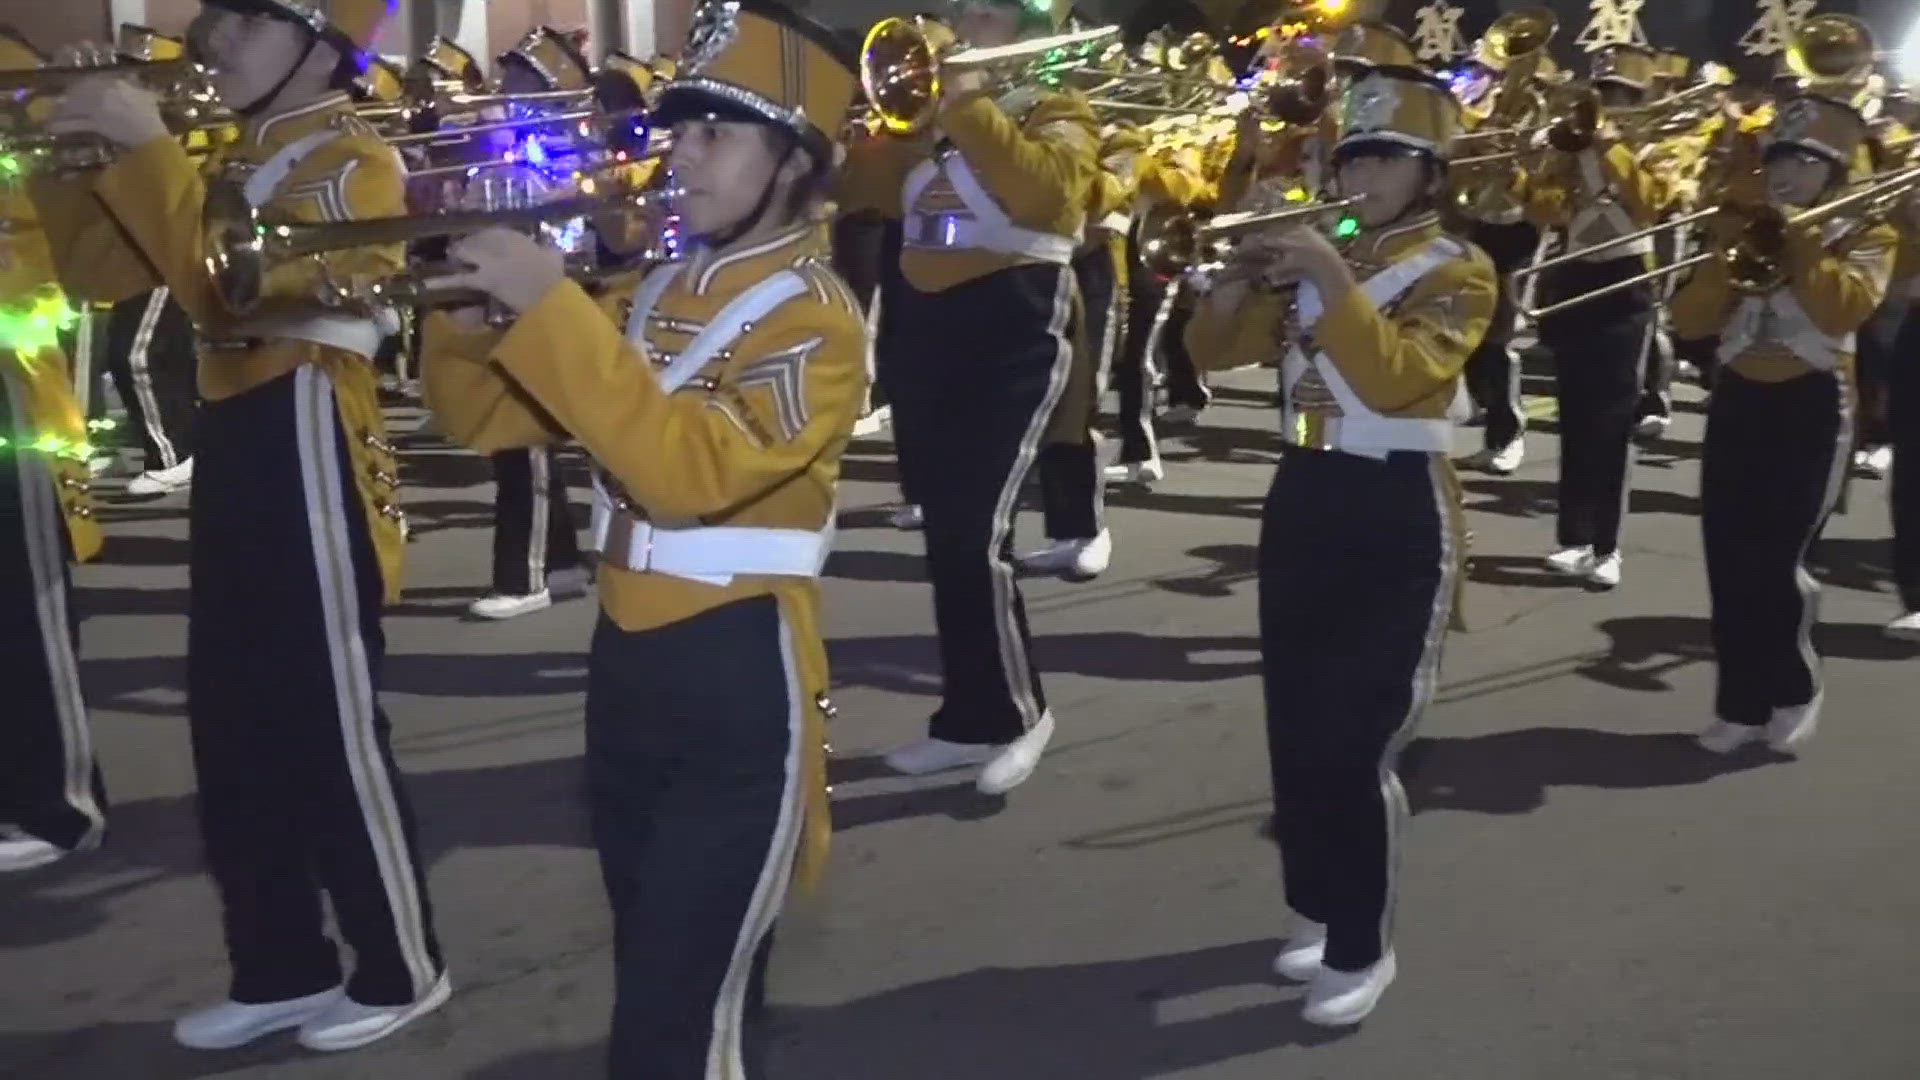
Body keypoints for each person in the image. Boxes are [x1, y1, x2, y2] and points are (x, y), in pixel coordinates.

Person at [420, 1, 865, 1072]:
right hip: (628, 660)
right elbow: (485, 422)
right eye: (682, 129)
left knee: (669, 1018)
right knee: (669, 970)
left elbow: (686, 474)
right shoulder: (656, 288)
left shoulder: (816, 316)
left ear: (798, 163)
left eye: (718, 133)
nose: (682, 155)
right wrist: (465, 307)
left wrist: (556, 314)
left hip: (738, 668)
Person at [36, 0, 446, 1051]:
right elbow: (99, 277)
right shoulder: (229, 159)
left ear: (321, 46)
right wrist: (77, 161)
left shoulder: (352, 162)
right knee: (229, 719)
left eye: (248, 23)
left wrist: (143, 148)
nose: (214, 42)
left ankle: (402, 961)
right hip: (237, 431)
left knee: (327, 717)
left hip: (307, 423)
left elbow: (229, 296)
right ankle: (280, 963)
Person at [1186, 64, 1493, 1026]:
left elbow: (1400, 375)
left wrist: (1323, 266)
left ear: (1428, 172)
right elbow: (1213, 354)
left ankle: (1364, 942)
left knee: (1358, 737)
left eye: (1386, 159)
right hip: (1306, 491)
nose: (1360, 176)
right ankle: (1316, 909)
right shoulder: (1340, 244)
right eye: (1352, 154)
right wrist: (1240, 279)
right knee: (1298, 719)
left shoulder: (1458, 267)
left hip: (1399, 505)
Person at [841, 0, 1099, 793]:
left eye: (987, 13)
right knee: (950, 533)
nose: (963, 25)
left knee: (979, 531)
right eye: (963, 11)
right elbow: (865, 192)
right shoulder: (928, 116)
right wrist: (898, 125)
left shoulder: (1058, 110)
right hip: (924, 321)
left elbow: (1047, 196)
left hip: (1017, 318)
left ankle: (1022, 715)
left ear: (1025, 33)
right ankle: (969, 718)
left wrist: (968, 101)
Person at [1673, 93, 1894, 754]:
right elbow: (1689, 320)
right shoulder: (1742, 224)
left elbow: (1842, 309)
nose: (1786, 175)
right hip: (1740, 393)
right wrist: (1726, 255)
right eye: (1780, 160)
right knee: (1727, 555)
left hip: (1815, 401)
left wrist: (1798, 239)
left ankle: (1794, 688)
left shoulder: (1869, 233)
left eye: (1805, 162)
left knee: (1776, 560)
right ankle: (1738, 701)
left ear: (1834, 174)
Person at [0, 28, 108, 875]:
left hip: (9, 369)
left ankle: (60, 801)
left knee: (24, 600)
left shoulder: (20, 84)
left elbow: (43, 238)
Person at [1520, 43, 1669, 590]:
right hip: (1576, 276)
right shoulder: (1566, 149)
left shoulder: (1659, 144)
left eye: (1616, 97)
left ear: (1636, 99)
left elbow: (1652, 201)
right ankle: (1573, 537)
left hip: (1626, 281)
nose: (1604, 106)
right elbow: (1543, 212)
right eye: (1598, 95)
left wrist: (1611, 151)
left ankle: (1608, 545)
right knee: (1575, 414)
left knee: (1611, 419)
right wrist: (1541, 164)